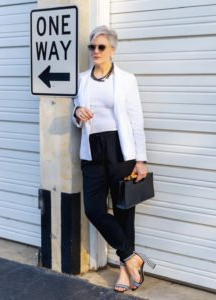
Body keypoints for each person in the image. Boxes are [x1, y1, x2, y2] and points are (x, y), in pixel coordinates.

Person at [72, 25, 155, 293]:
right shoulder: (82, 79)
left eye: (101, 47)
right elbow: (76, 114)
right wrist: (77, 114)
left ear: (112, 50)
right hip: (92, 151)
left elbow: (136, 119)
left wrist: (140, 160)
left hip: (120, 151)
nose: (95, 51)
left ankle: (124, 269)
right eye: (92, 47)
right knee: (93, 209)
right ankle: (133, 257)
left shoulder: (126, 79)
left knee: (123, 212)